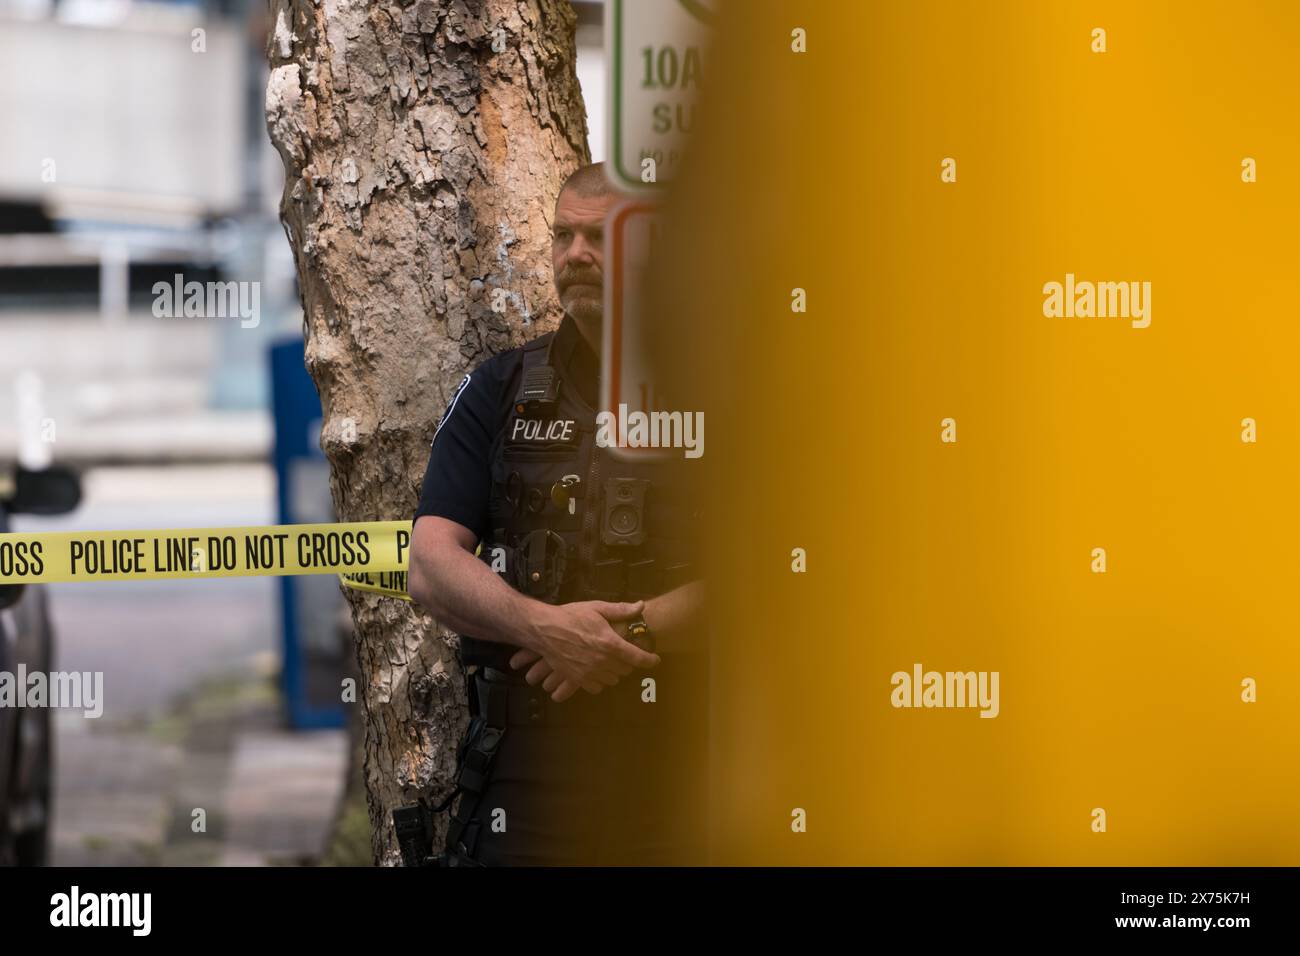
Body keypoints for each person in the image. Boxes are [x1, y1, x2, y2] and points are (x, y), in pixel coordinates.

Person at [404, 163, 706, 866]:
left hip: (694, 767)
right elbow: (428, 563)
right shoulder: (500, 387)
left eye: (599, 236)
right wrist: (545, 627)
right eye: (563, 236)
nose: (575, 255)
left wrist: (629, 629)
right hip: (528, 777)